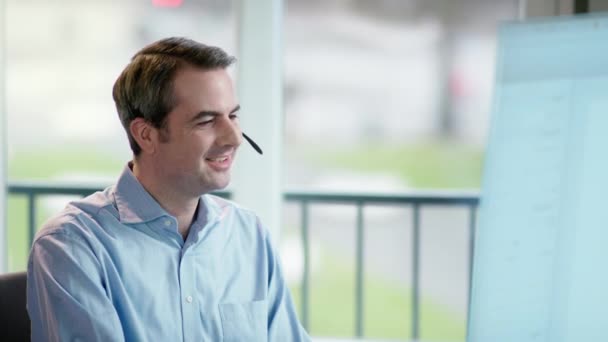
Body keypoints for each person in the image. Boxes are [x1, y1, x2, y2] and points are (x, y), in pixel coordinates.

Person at [27, 37, 310, 342]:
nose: (234, 137)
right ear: (146, 135)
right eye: (206, 121)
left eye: (232, 116)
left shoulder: (248, 235)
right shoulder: (73, 247)